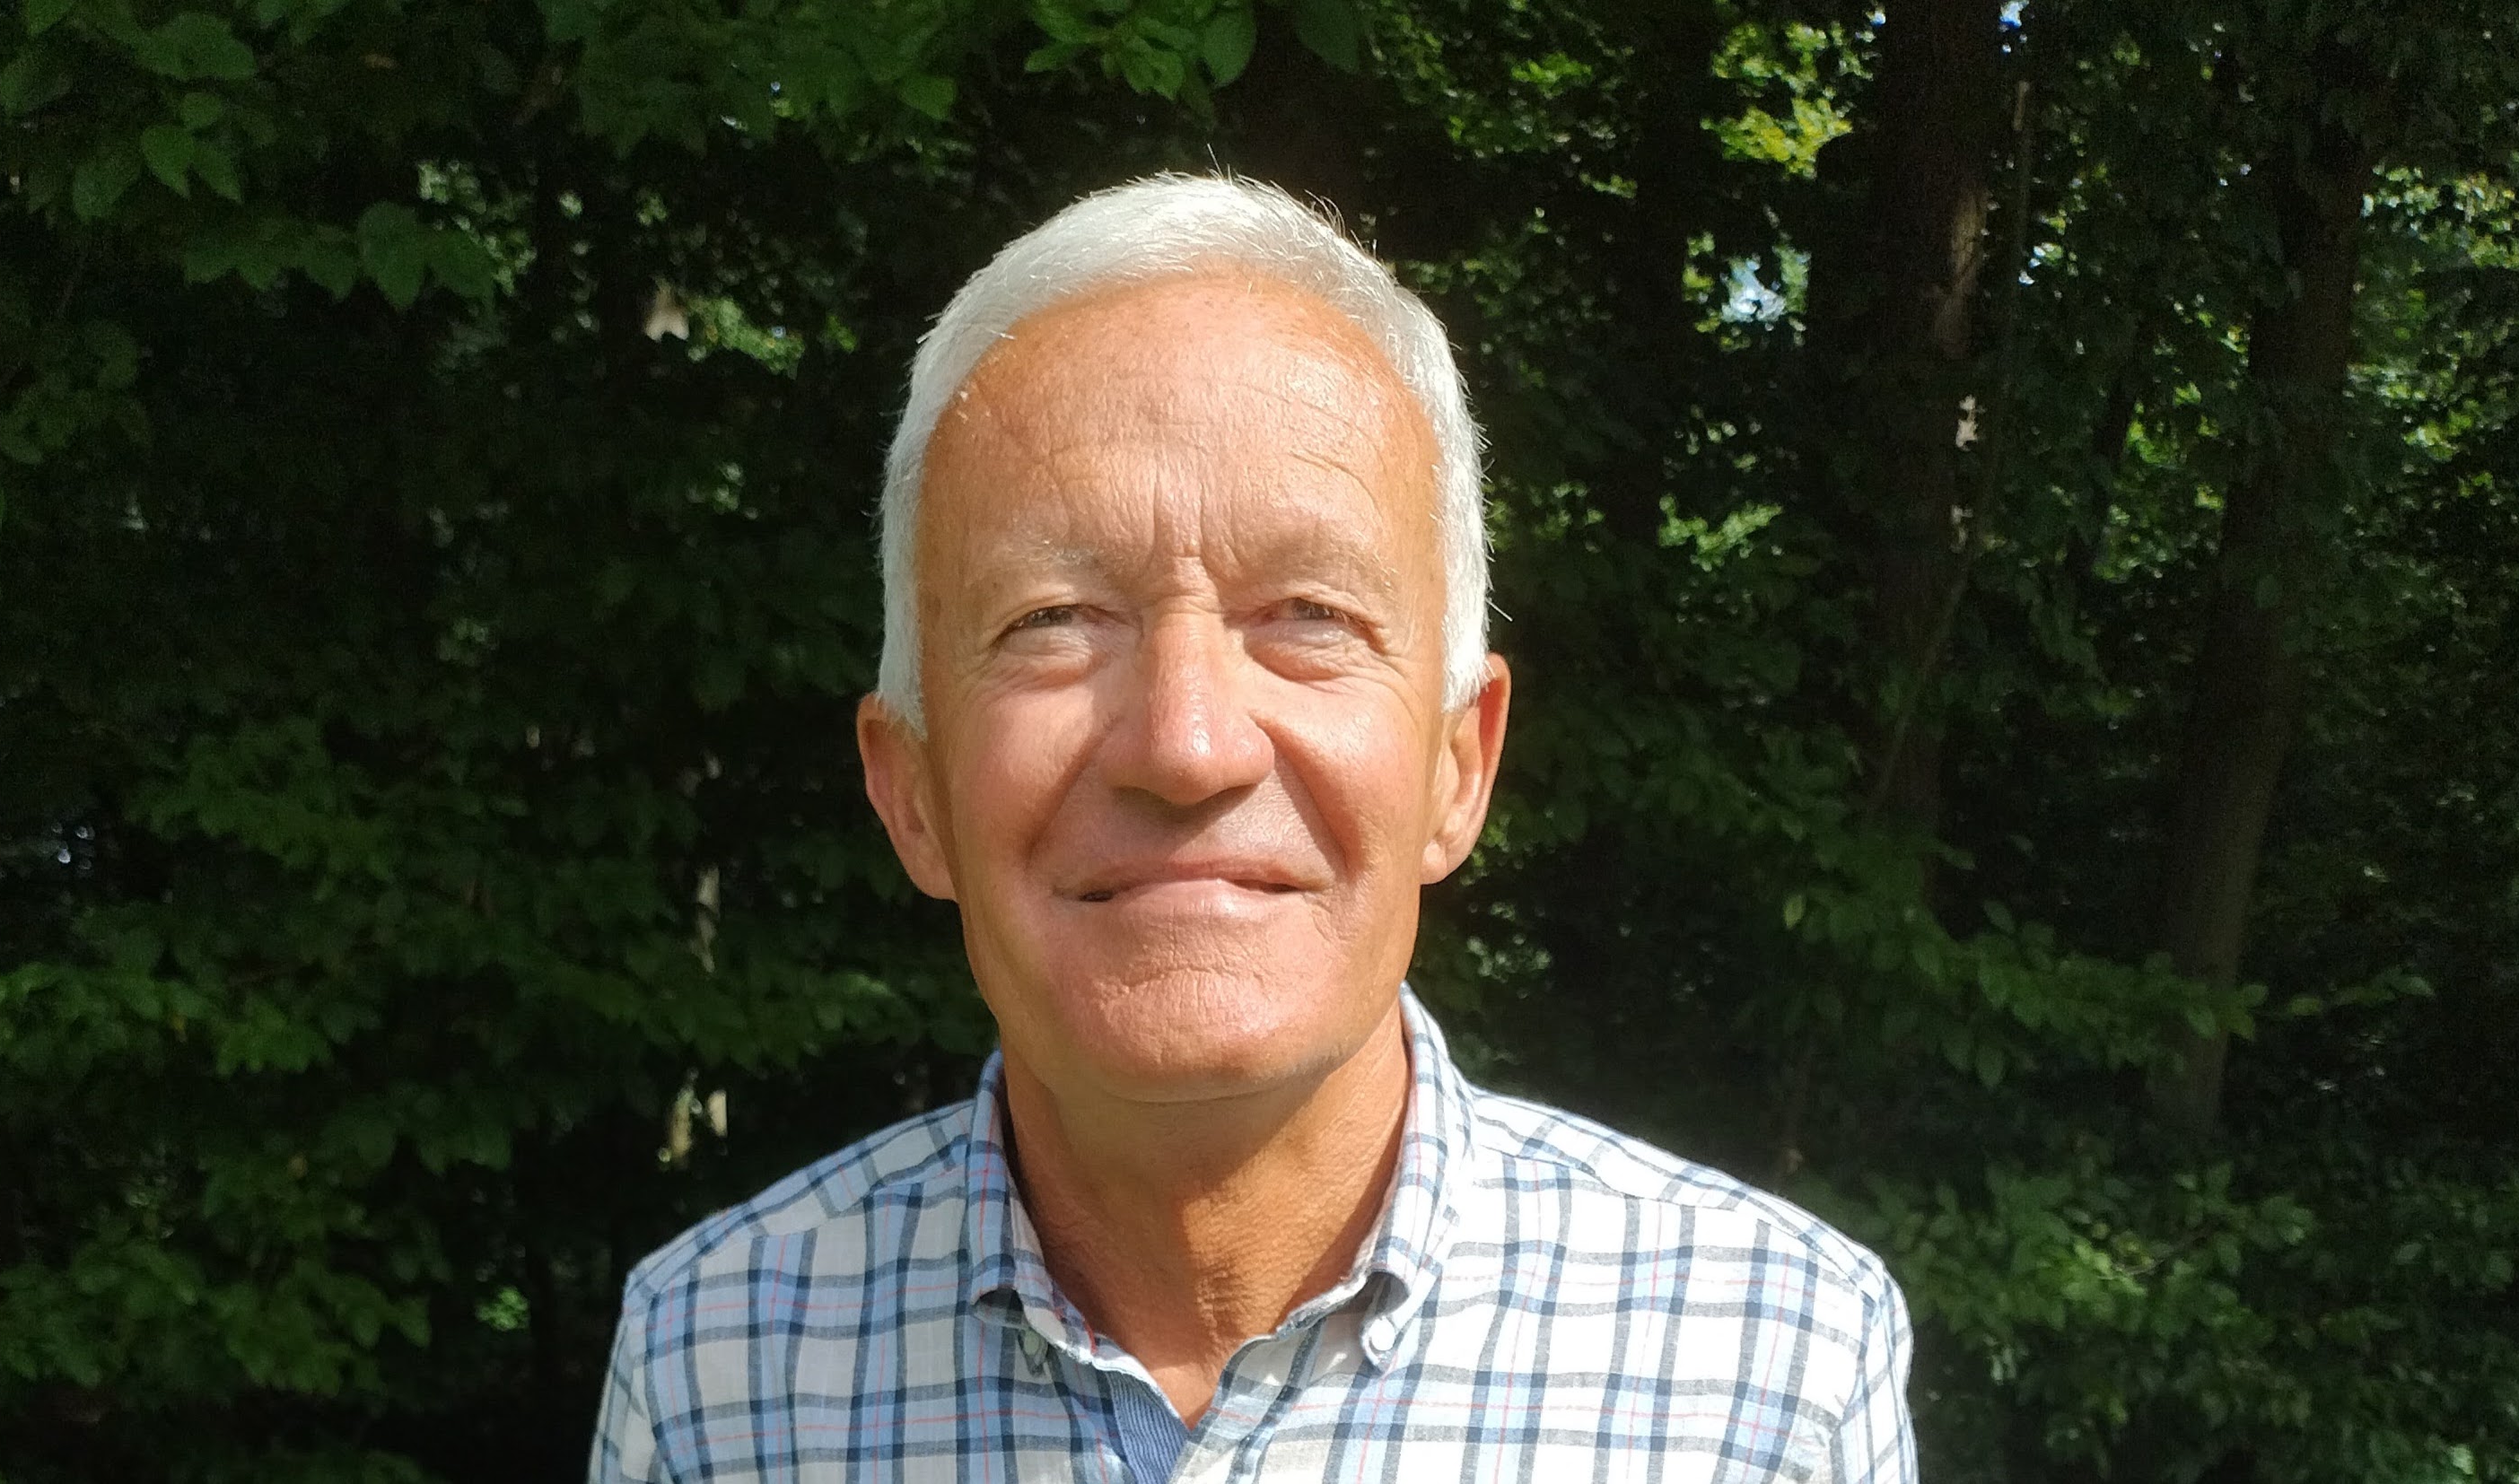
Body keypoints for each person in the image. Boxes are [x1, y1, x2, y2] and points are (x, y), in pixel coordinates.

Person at [589, 174, 1917, 1484]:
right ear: (912, 791)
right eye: (1053, 620)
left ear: (1459, 765)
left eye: (1310, 617)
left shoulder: (1772, 1380)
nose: (1187, 745)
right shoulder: (715, 1372)